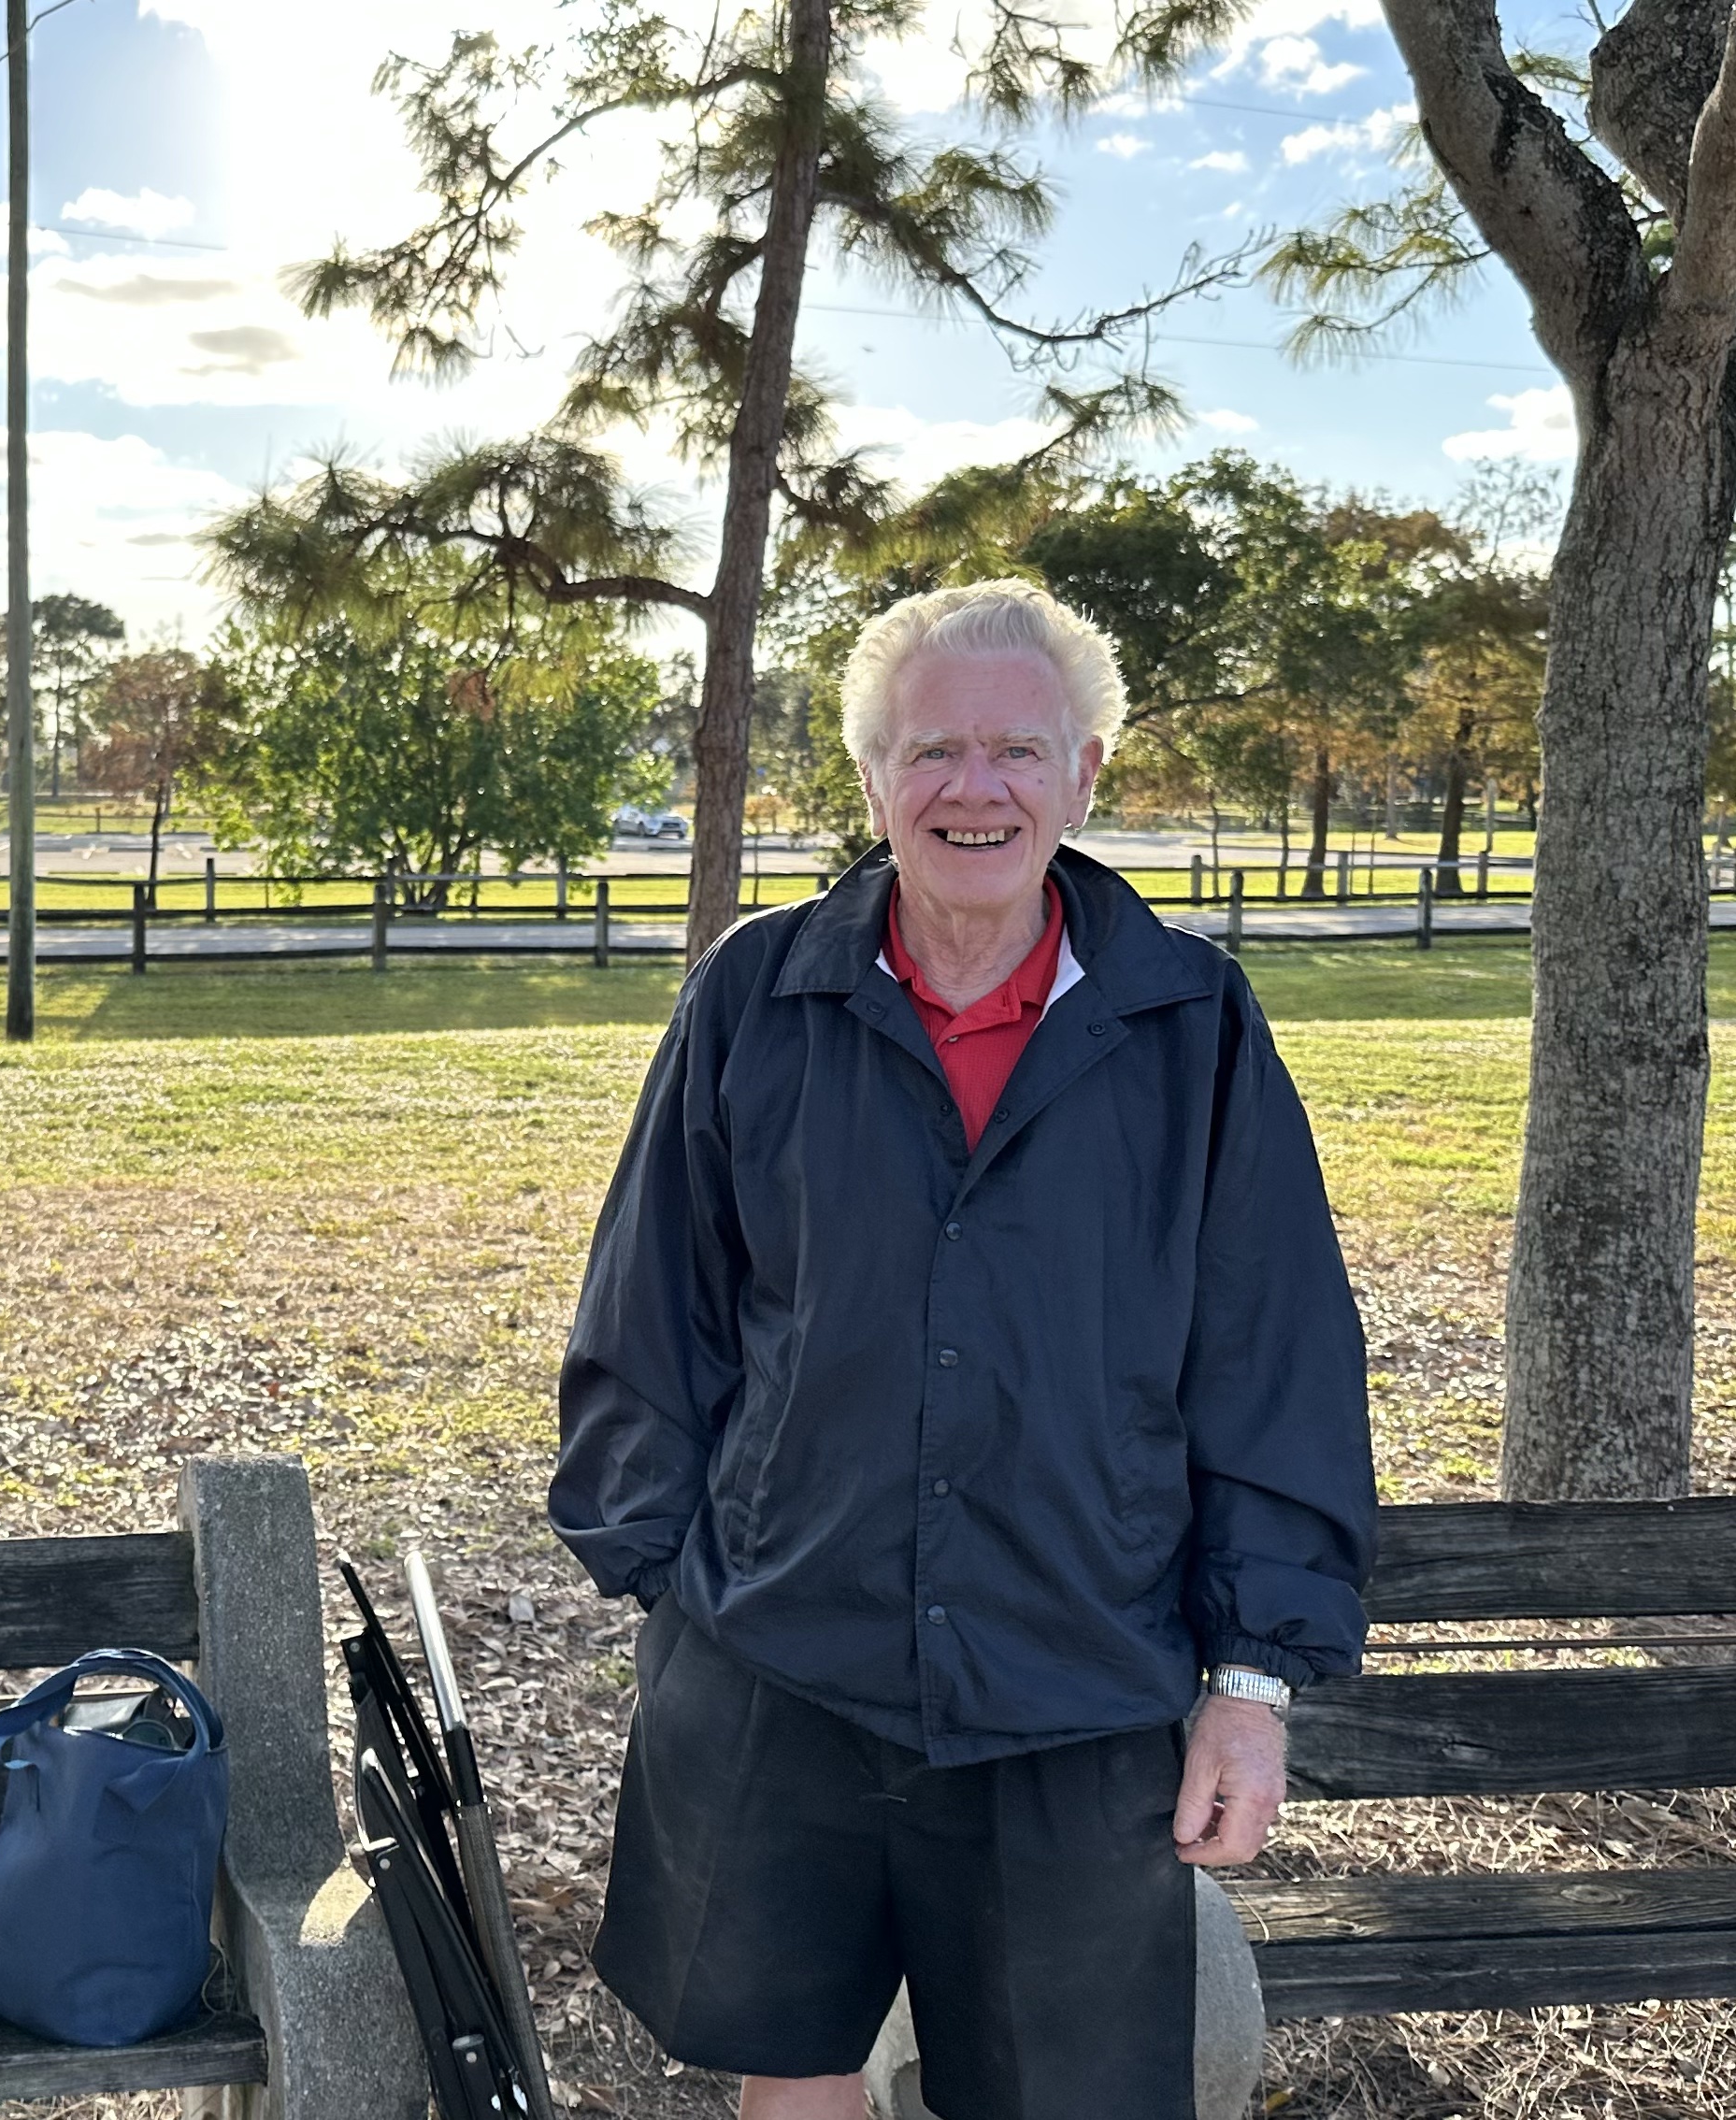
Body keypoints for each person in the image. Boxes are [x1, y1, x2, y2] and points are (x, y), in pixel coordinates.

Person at [553, 579, 1376, 2119]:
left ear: (1085, 775)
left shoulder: (1192, 1025)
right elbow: (650, 1304)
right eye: (932, 749)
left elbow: (1274, 1363)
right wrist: (672, 1580)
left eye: (1017, 749)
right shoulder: (758, 996)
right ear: (874, 778)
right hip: (783, 1658)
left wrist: (1252, 1680)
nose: (973, 787)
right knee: (794, 2076)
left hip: (1079, 1676)